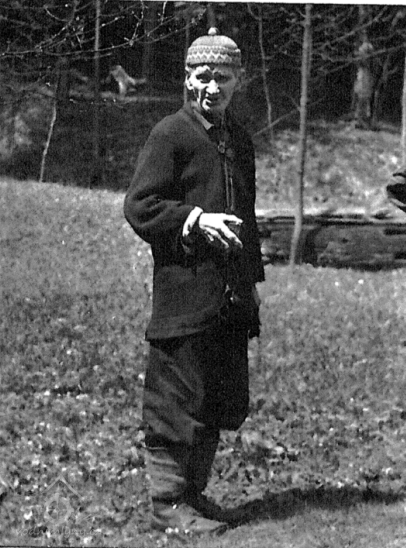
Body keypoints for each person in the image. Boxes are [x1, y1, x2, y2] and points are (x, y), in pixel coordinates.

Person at [124, 27, 265, 536]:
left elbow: (247, 217)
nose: (212, 87)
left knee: (217, 397)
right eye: (203, 76)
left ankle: (194, 495)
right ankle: (167, 504)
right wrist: (194, 219)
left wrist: (250, 282)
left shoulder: (238, 140)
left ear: (238, 81)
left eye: (222, 77)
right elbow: (140, 205)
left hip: (228, 296)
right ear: (187, 79)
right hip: (183, 293)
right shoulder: (170, 134)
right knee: (176, 400)